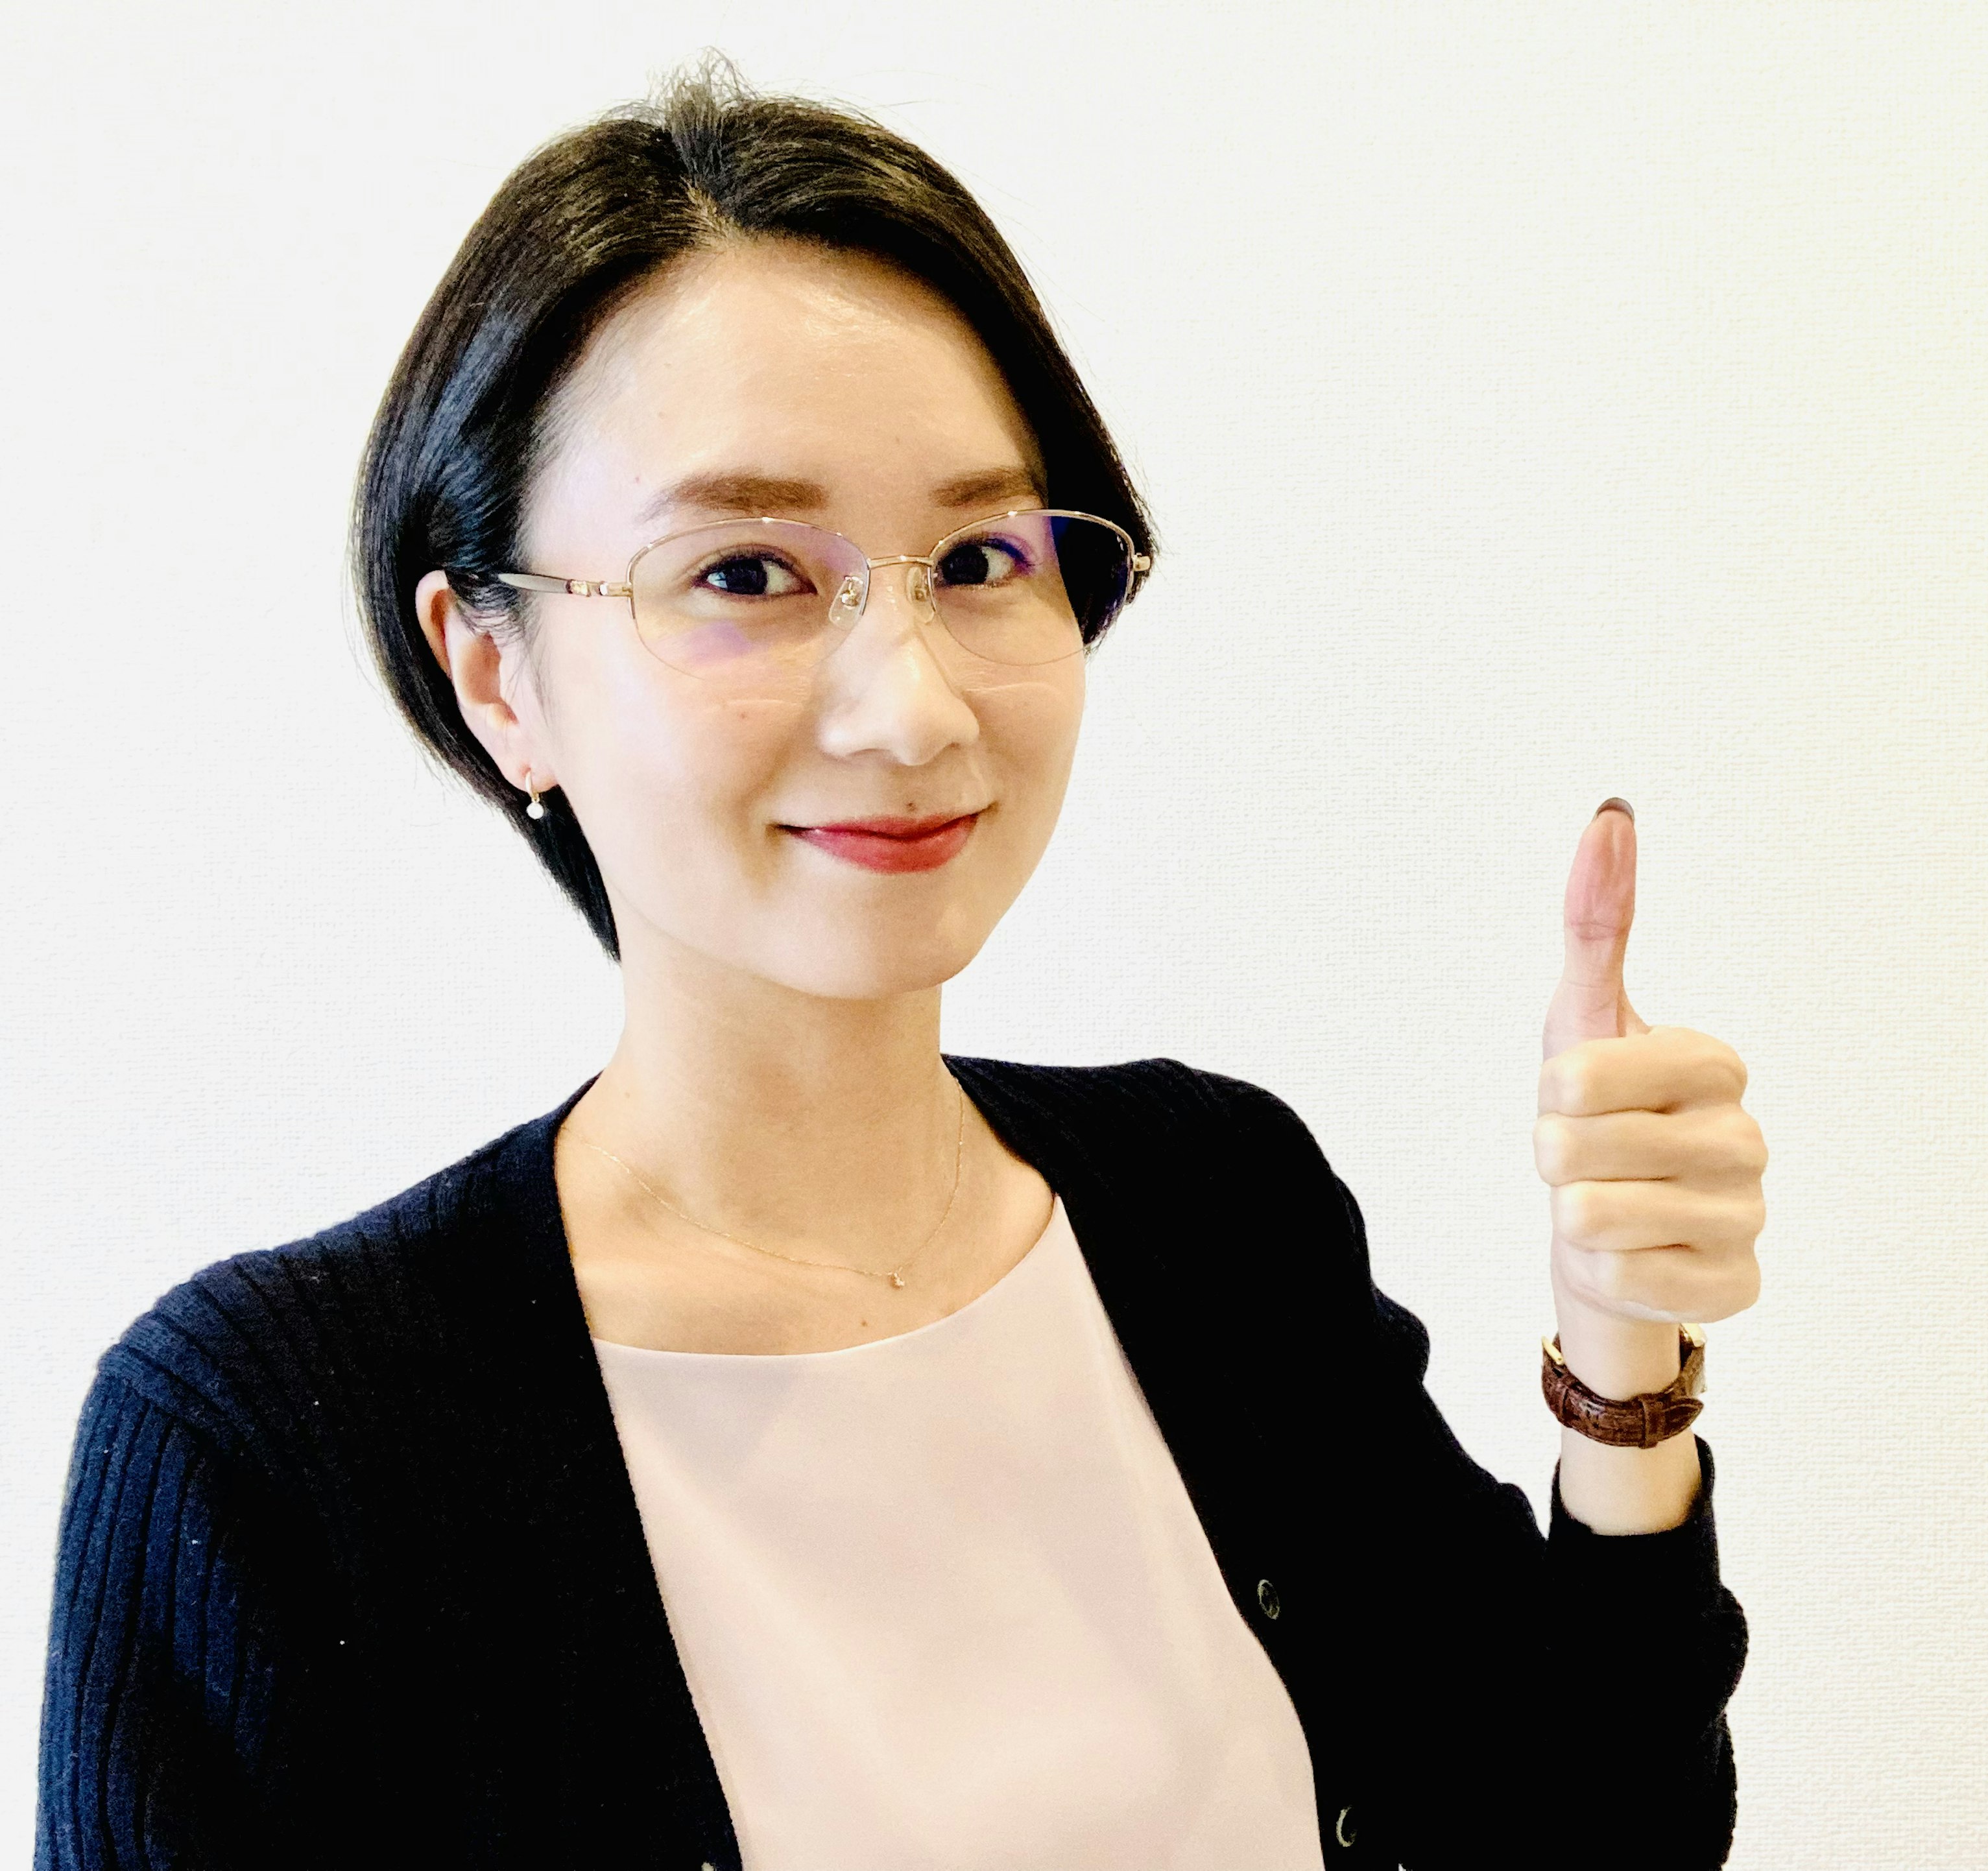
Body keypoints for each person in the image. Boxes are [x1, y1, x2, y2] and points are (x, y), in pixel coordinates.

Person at [37, 62, 1764, 1871]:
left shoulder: (1217, 1207)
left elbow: (1596, 1830)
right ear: (495, 672)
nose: (913, 703)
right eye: (746, 574)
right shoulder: (263, 1447)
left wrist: (1618, 1365)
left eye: (976, 556)